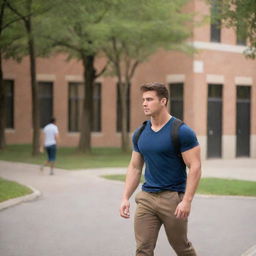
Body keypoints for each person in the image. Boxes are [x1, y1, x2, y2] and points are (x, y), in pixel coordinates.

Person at [119, 83, 201, 256]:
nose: (144, 103)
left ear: (163, 101)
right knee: (143, 250)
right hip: (147, 198)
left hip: (173, 199)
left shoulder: (181, 131)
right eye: (143, 100)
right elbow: (135, 168)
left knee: (182, 248)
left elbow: (195, 167)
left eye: (149, 99)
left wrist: (186, 201)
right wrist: (125, 197)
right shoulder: (140, 133)